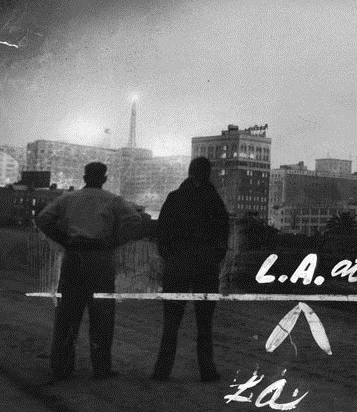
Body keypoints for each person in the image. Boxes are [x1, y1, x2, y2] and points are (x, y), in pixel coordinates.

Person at [35, 162, 149, 380]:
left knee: (67, 313)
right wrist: (115, 241)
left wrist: (63, 239)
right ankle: (101, 367)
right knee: (102, 315)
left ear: (85, 177)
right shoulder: (113, 200)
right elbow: (135, 220)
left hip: (74, 257)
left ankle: (61, 366)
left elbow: (43, 219)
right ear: (104, 178)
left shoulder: (68, 199)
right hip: (100, 259)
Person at [151, 157, 229, 382]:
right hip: (205, 264)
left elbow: (162, 231)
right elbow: (223, 234)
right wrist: (214, 258)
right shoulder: (214, 199)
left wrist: (171, 256)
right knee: (204, 322)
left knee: (171, 321)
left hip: (178, 263)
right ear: (208, 173)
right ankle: (207, 370)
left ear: (189, 172)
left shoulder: (175, 198)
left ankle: (162, 370)